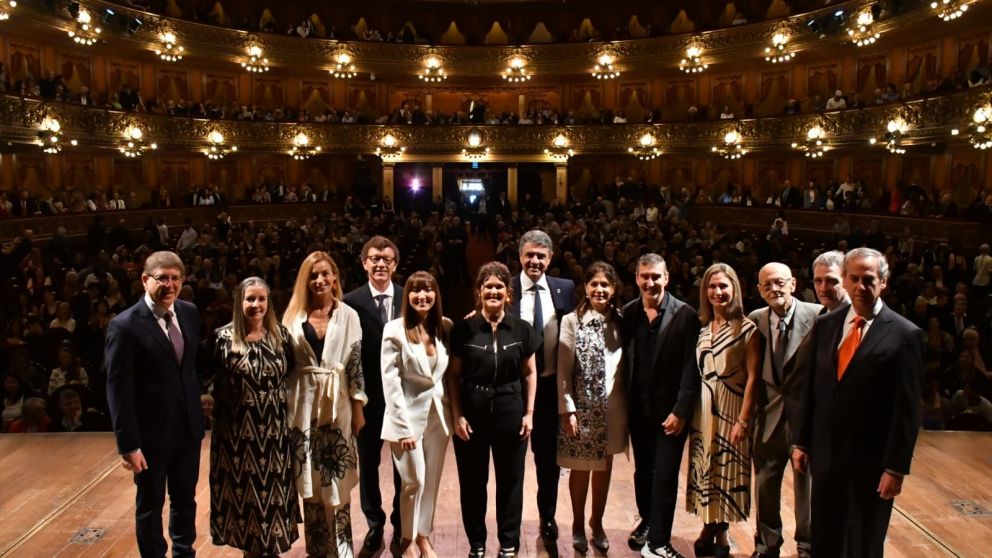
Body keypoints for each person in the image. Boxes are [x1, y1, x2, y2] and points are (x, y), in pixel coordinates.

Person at [793, 247, 924, 558]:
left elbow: (907, 410)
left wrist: (896, 467)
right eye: (854, 279)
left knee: (863, 543)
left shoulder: (906, 334)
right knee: (825, 538)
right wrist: (801, 441)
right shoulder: (826, 324)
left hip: (872, 463)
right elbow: (812, 388)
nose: (860, 287)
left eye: (869, 280)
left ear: (884, 282)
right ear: (847, 280)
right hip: (826, 456)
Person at [106, 250, 204, 558]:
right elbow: (118, 390)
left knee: (185, 500)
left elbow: (189, 369)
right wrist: (128, 445)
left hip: (187, 430)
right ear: (145, 280)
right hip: (149, 437)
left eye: (175, 278)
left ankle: (184, 553)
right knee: (150, 506)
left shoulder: (189, 312)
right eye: (162, 278)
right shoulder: (124, 326)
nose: (170, 285)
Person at [447, 262, 539, 558]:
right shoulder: (464, 329)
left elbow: (530, 373)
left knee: (511, 481)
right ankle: (476, 543)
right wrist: (457, 414)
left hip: (510, 408)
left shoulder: (523, 329)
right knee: (473, 482)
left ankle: (508, 542)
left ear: (508, 293)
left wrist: (529, 413)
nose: (494, 291)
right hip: (472, 410)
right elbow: (453, 375)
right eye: (488, 286)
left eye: (499, 287)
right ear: (479, 292)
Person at [283, 251, 366, 558]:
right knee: (310, 478)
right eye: (313, 275)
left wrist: (358, 408)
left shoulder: (348, 315)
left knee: (337, 479)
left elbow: (355, 362)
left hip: (338, 404)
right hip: (302, 404)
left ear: (335, 277)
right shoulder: (292, 317)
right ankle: (318, 550)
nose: (319, 280)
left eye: (324, 274)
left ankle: (342, 550)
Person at [209, 277, 300, 556]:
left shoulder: (282, 336)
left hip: (274, 433)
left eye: (261, 299)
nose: (256, 304)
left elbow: (291, 375)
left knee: (272, 501)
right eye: (250, 299)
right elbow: (209, 380)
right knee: (245, 503)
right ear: (239, 302)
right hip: (236, 437)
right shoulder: (222, 338)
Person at [622, 253, 701, 558]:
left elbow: (690, 368)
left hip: (671, 414)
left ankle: (659, 542)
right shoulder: (628, 313)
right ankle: (647, 521)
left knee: (665, 476)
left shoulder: (686, 315)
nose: (650, 282)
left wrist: (681, 410)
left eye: (656, 276)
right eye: (645, 276)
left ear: (667, 278)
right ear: (637, 278)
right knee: (643, 473)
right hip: (638, 411)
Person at [746, 263, 822, 558]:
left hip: (806, 419)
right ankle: (767, 546)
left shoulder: (818, 316)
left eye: (779, 282)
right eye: (767, 285)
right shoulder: (755, 319)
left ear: (793, 283)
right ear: (759, 290)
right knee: (765, 486)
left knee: (808, 487)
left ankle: (808, 547)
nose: (774, 289)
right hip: (768, 417)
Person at [686, 263, 760, 558]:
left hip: (732, 409)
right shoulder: (703, 328)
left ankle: (723, 533)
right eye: (712, 287)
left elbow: (753, 377)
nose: (718, 292)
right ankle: (708, 525)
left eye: (723, 286)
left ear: (735, 290)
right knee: (706, 470)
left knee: (728, 472)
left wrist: (743, 419)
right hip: (703, 411)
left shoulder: (748, 329)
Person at [508, 229, 577, 542]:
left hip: (549, 388)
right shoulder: (505, 288)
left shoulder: (565, 289)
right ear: (520, 255)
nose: (534, 261)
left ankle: (547, 518)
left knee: (548, 462)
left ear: (550, 259)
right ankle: (510, 526)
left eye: (541, 256)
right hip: (513, 390)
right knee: (512, 463)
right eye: (529, 255)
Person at [380, 271, 452, 558]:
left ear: (436, 295)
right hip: (406, 420)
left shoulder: (444, 327)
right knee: (414, 482)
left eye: (428, 290)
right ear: (407, 296)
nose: (423, 295)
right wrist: (403, 427)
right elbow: (391, 383)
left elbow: (446, 378)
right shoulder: (394, 330)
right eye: (416, 290)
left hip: (437, 417)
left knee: (431, 481)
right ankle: (407, 539)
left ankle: (424, 536)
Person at [557, 262, 627, 553]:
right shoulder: (571, 321)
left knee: (604, 468)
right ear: (585, 287)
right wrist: (567, 408)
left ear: (614, 290)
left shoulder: (621, 320)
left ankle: (596, 524)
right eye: (594, 283)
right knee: (581, 469)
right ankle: (576, 524)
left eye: (606, 285)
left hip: (614, 408)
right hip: (582, 409)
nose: (600, 289)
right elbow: (563, 370)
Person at [342, 236, 404, 554]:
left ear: (395, 264)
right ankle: (375, 524)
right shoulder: (349, 301)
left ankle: (401, 523)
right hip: (366, 399)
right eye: (375, 258)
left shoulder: (410, 297)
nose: (381, 264)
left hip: (402, 400)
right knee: (367, 465)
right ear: (363, 261)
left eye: (387, 259)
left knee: (402, 466)